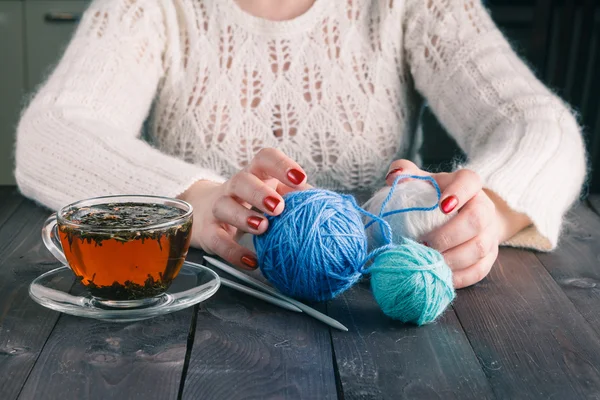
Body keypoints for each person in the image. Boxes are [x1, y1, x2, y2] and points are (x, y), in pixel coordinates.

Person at [15, 0, 586, 289]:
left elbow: (542, 125)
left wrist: (492, 211)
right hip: (201, 318)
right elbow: (52, 131)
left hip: (381, 315)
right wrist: (193, 197)